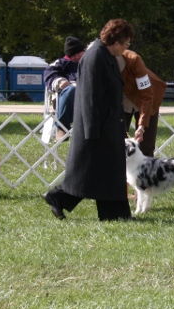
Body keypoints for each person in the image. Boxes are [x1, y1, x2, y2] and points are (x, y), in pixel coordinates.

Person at [42, 19, 135, 221]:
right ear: (116, 42)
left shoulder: (106, 55)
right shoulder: (95, 57)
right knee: (89, 172)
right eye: (126, 43)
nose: (127, 48)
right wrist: (92, 131)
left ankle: (115, 214)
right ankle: (58, 197)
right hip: (97, 126)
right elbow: (89, 96)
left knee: (106, 172)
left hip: (108, 124)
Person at [116, 48, 168, 157]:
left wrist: (141, 126)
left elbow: (147, 96)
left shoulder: (134, 60)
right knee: (117, 139)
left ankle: (147, 169)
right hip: (122, 98)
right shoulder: (102, 59)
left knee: (146, 143)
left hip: (148, 95)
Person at [43, 36, 86, 138]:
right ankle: (61, 127)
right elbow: (49, 75)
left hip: (88, 98)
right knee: (71, 90)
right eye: (72, 55)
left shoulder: (91, 63)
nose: (76, 56)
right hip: (66, 96)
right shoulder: (60, 63)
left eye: (78, 53)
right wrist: (59, 82)